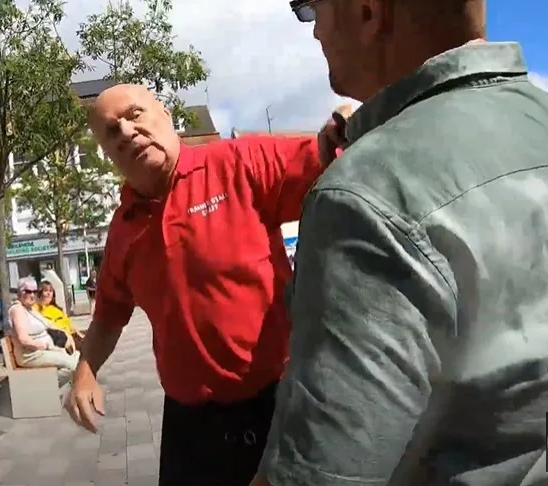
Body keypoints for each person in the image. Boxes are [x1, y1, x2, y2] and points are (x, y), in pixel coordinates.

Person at [252, 1, 548, 486]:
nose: (315, 34)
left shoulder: (364, 190)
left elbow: (324, 473)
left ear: (369, 12)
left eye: (313, 7)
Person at [64, 83, 348, 485]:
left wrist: (345, 126)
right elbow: (110, 312)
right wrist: (85, 372)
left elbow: (326, 156)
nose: (126, 132)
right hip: (189, 421)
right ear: (107, 153)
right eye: (112, 131)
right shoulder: (123, 229)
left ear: (164, 114)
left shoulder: (237, 163)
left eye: (134, 115)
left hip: (276, 404)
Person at [8, 277, 80, 371]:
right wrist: (45, 346)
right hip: (31, 355)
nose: (32, 295)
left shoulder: (30, 309)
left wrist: (67, 334)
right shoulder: (17, 310)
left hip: (42, 351)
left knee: (77, 356)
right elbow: (24, 340)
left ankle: (72, 383)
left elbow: (49, 324)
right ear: (20, 293)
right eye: (28, 291)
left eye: (35, 291)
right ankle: (59, 384)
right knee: (72, 364)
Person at [36, 280, 85, 349]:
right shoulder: (37, 309)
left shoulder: (58, 309)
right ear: (40, 293)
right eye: (45, 291)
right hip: (58, 338)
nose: (48, 293)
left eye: (51, 291)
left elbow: (68, 323)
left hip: (70, 335)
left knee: (90, 345)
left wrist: (78, 333)